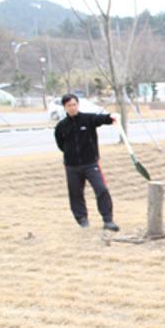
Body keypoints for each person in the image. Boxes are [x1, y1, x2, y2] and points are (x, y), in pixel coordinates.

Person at [53, 93, 120, 231]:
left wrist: (111, 117)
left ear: (78, 105)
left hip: (91, 164)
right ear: (64, 107)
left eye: (74, 104)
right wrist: (71, 155)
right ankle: (82, 219)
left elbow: (102, 119)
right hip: (72, 166)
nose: (72, 107)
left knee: (101, 189)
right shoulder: (61, 126)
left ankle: (108, 220)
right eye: (69, 105)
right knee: (76, 193)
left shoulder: (88, 119)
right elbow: (61, 145)